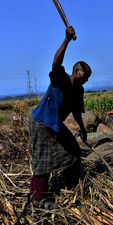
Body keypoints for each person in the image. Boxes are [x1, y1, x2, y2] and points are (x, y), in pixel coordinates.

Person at [29, 26, 91, 201]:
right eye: (84, 75)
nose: (86, 79)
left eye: (88, 78)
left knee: (73, 149)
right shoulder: (61, 79)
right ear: (76, 71)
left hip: (55, 124)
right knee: (43, 161)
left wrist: (83, 129)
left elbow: (77, 112)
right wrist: (66, 40)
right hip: (41, 121)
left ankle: (70, 182)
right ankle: (38, 198)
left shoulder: (79, 90)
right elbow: (55, 64)